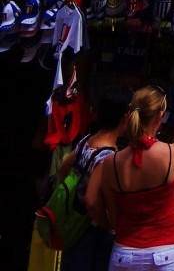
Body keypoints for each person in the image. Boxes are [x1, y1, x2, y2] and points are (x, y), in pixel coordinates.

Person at [92, 85, 174, 271]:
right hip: (164, 253)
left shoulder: (111, 163)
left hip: (125, 252)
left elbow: (113, 214)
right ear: (160, 116)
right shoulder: (173, 152)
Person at [58, 85, 132, 271]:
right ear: (125, 117)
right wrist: (106, 224)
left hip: (75, 224)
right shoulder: (109, 155)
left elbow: (62, 169)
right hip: (93, 231)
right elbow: (92, 201)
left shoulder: (86, 141)